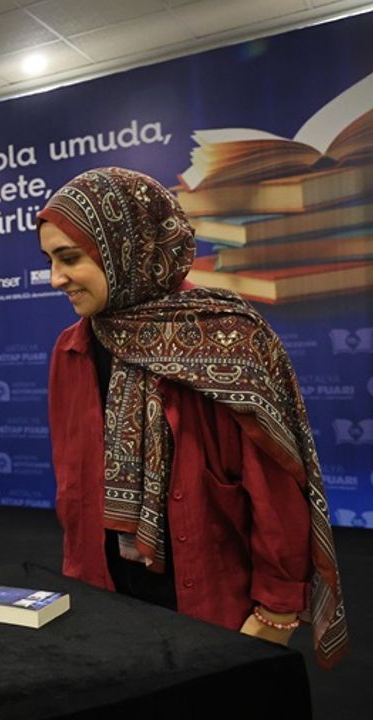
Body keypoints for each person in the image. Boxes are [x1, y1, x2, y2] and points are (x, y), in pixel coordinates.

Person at [37, 166, 347, 667]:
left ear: (126, 247)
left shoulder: (226, 339)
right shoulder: (70, 350)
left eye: (70, 258)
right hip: (104, 604)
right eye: (50, 260)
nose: (56, 278)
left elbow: (274, 489)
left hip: (215, 613)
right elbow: (74, 488)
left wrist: (275, 612)